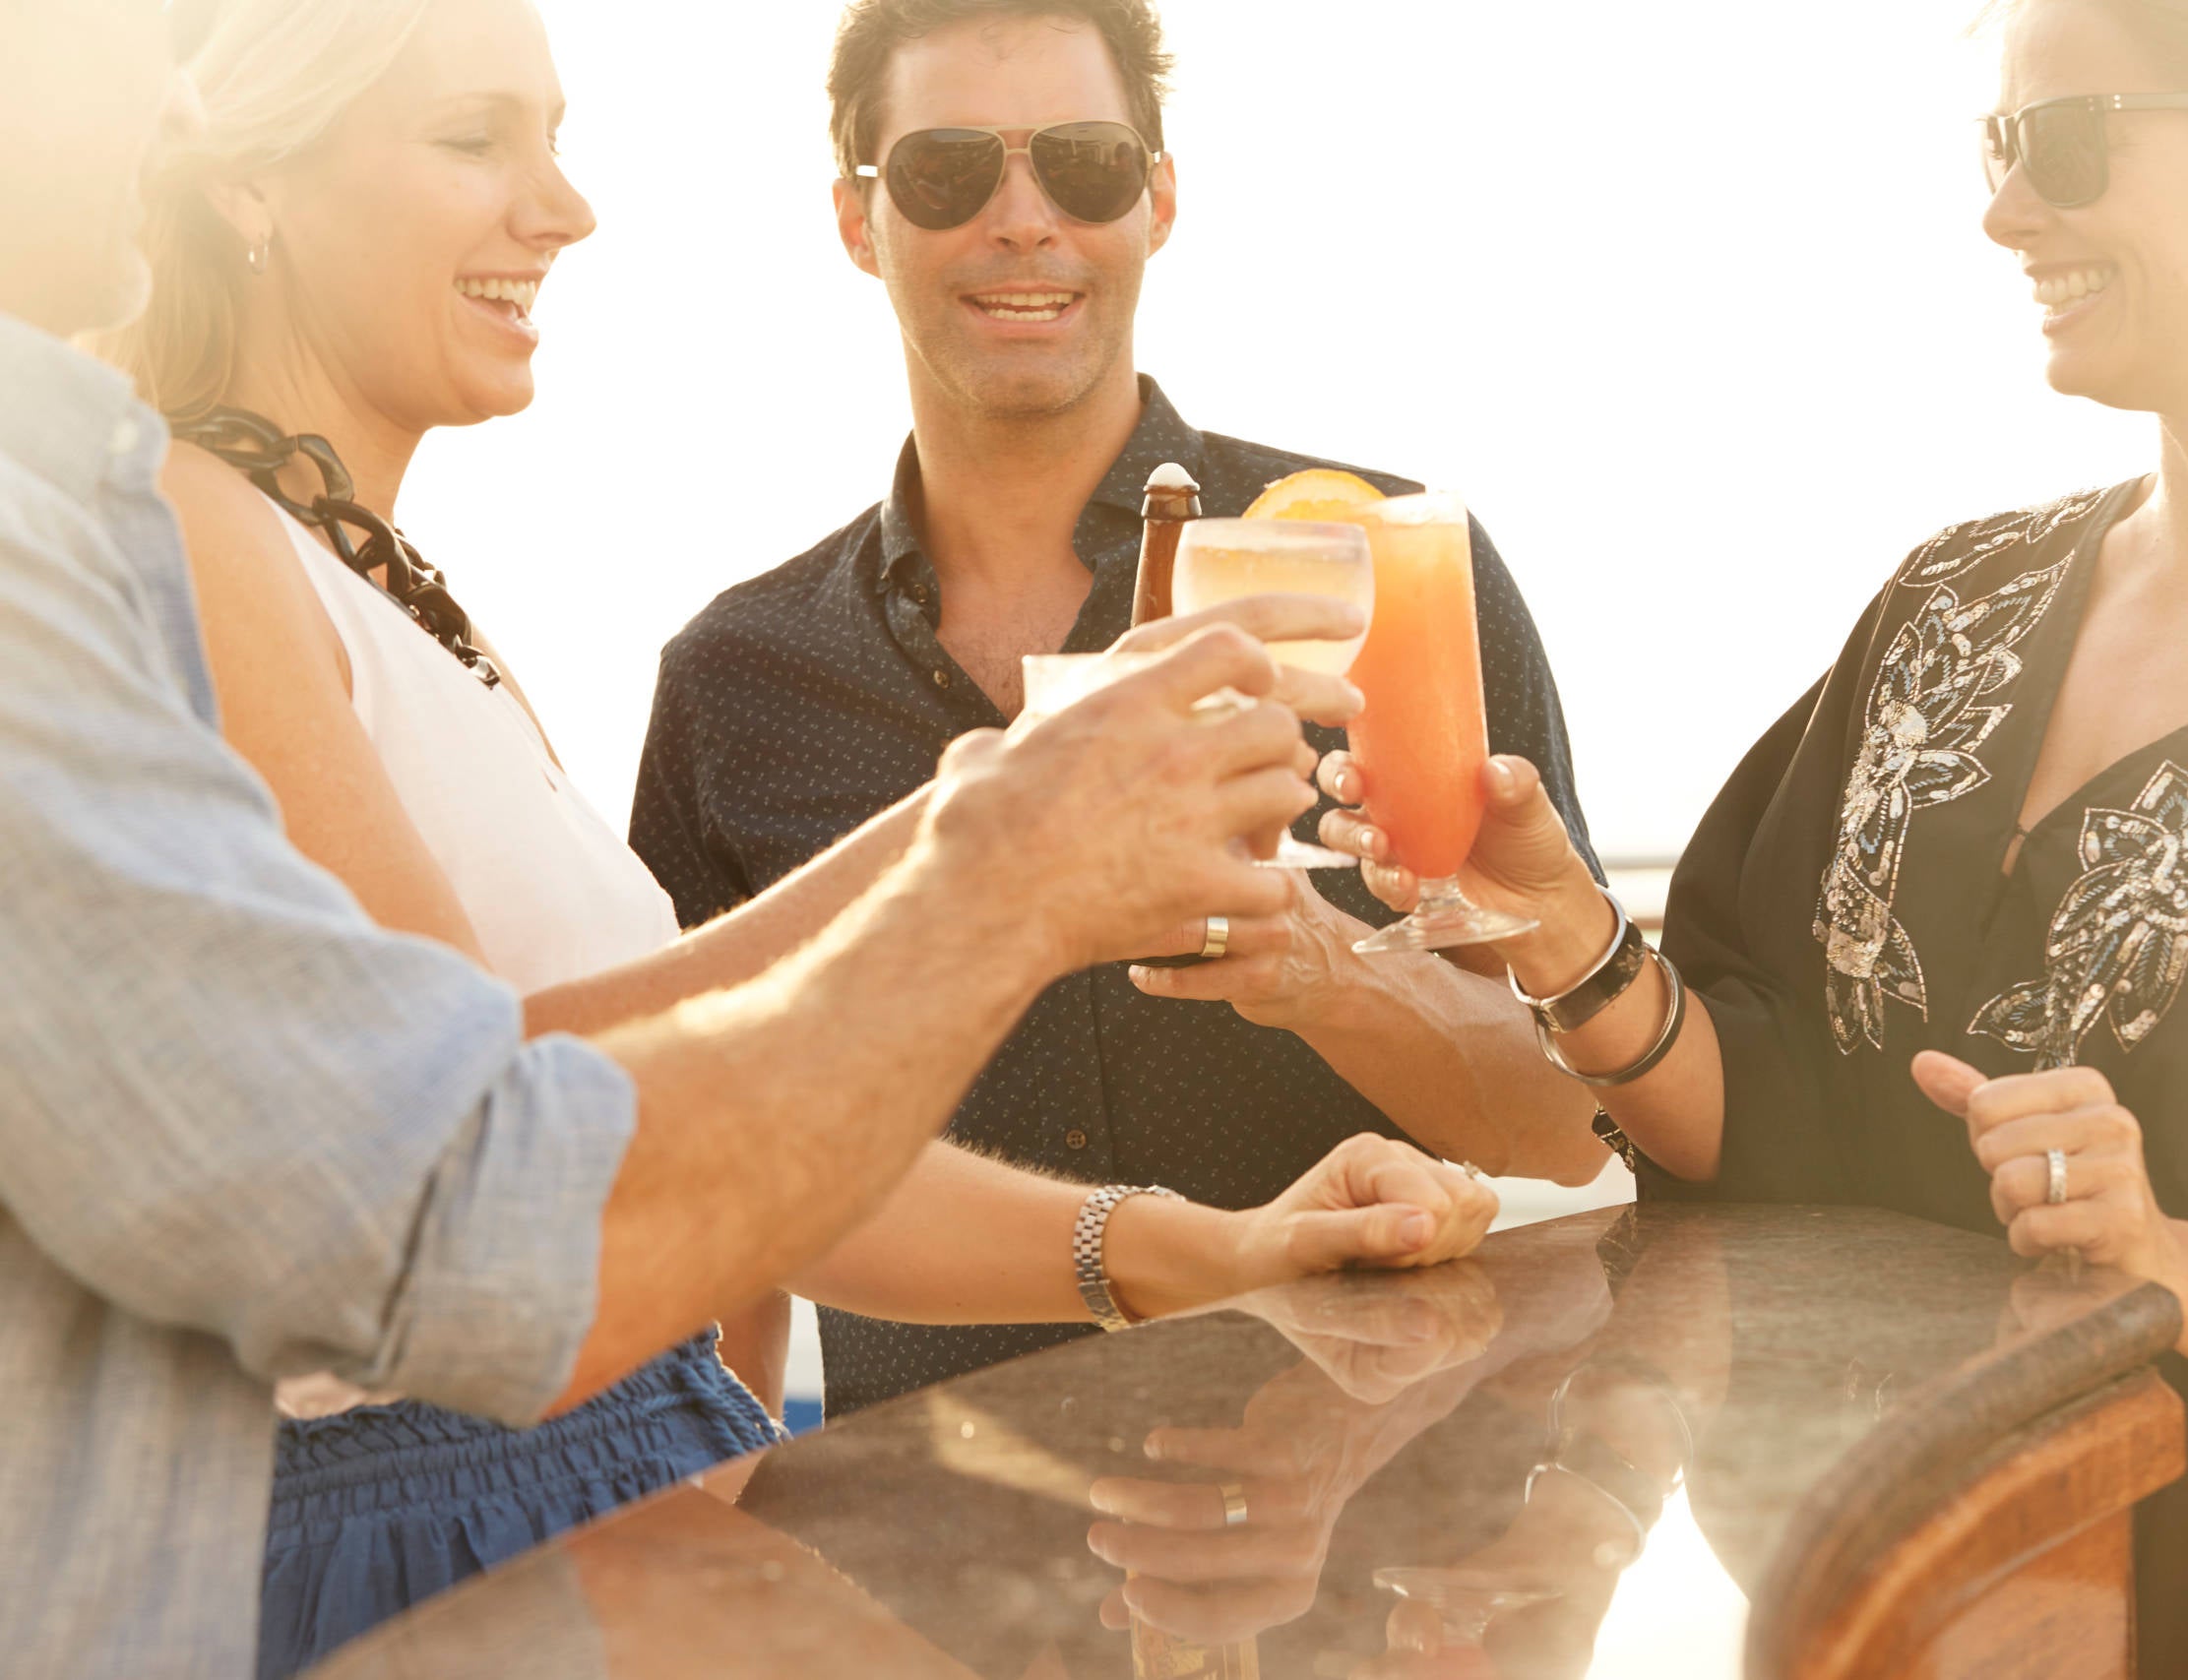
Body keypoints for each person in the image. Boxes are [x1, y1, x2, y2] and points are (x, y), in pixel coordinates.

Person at [0, 7, 1492, 1678]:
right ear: (249, 182)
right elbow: (501, 1170)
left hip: (635, 1494)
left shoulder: (392, 600)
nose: (565, 208)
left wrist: (1196, 1247)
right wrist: (1000, 848)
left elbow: (699, 1121)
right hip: (471, 1542)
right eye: (475, 138)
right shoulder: (195, 533)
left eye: (554, 140)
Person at [1322, 0, 2188, 1673]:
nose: (2005, 211)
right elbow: (1792, 1115)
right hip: (1870, 1612)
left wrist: (2174, 1261)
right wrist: (1567, 939)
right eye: (1998, 146)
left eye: (2069, 142)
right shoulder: (1958, 603)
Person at [631, 0, 1609, 1422]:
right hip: (919, 1605)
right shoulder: (733, 683)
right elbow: (707, 1201)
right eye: (947, 172)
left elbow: (1577, 1126)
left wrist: (1318, 967)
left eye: (1082, 165)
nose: (1022, 221)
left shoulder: (1390, 574)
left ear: (1157, 199)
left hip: (1371, 1584)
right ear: (858, 218)